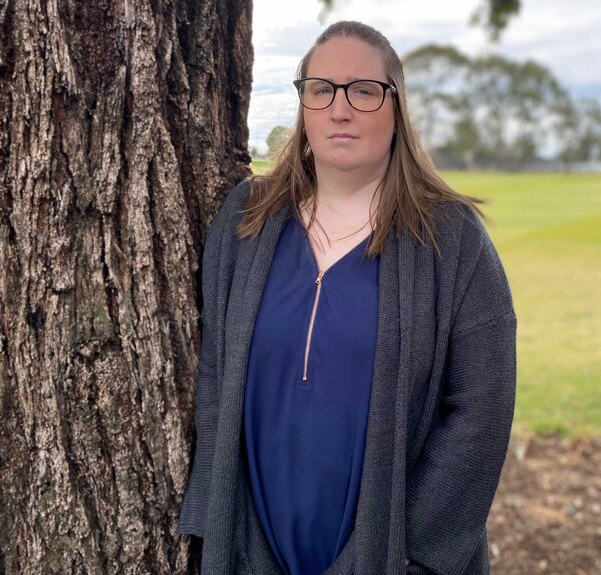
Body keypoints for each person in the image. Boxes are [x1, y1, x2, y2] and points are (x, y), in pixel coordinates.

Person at [178, 20, 516, 575]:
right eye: (321, 89)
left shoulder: (452, 237)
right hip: (251, 551)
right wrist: (210, 520)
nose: (340, 109)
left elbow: (481, 410)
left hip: (391, 556)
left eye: (363, 90)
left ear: (396, 107)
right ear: (304, 106)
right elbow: (215, 378)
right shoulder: (245, 220)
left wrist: (416, 553)